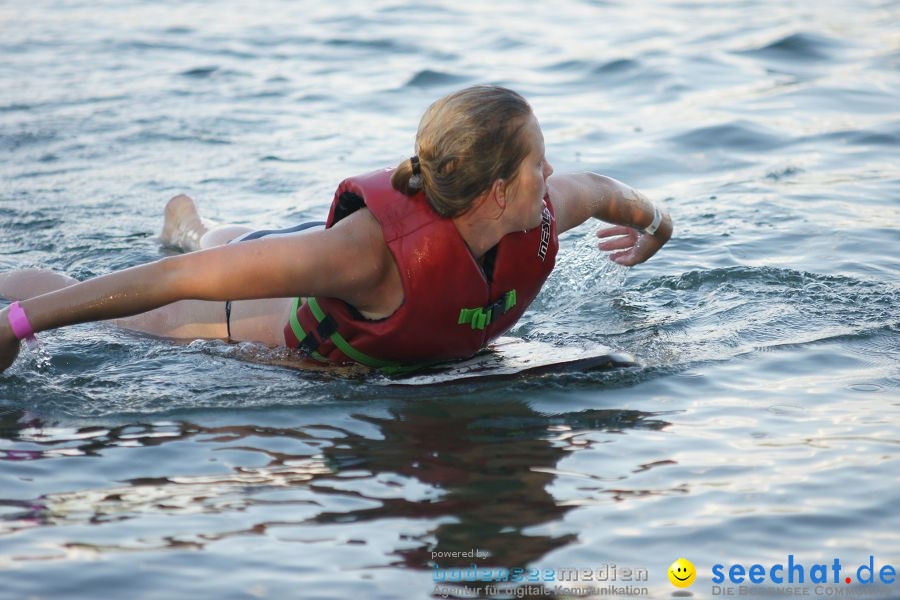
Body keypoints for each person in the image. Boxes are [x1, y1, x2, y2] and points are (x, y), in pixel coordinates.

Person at [0, 86, 672, 375]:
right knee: (164, 309)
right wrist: (17, 326)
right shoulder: (368, 257)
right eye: (536, 163)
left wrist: (657, 232)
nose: (551, 172)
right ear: (497, 192)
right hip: (270, 326)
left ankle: (198, 224)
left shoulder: (545, 208)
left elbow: (619, 196)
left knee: (247, 246)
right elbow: (172, 281)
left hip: (302, 261)